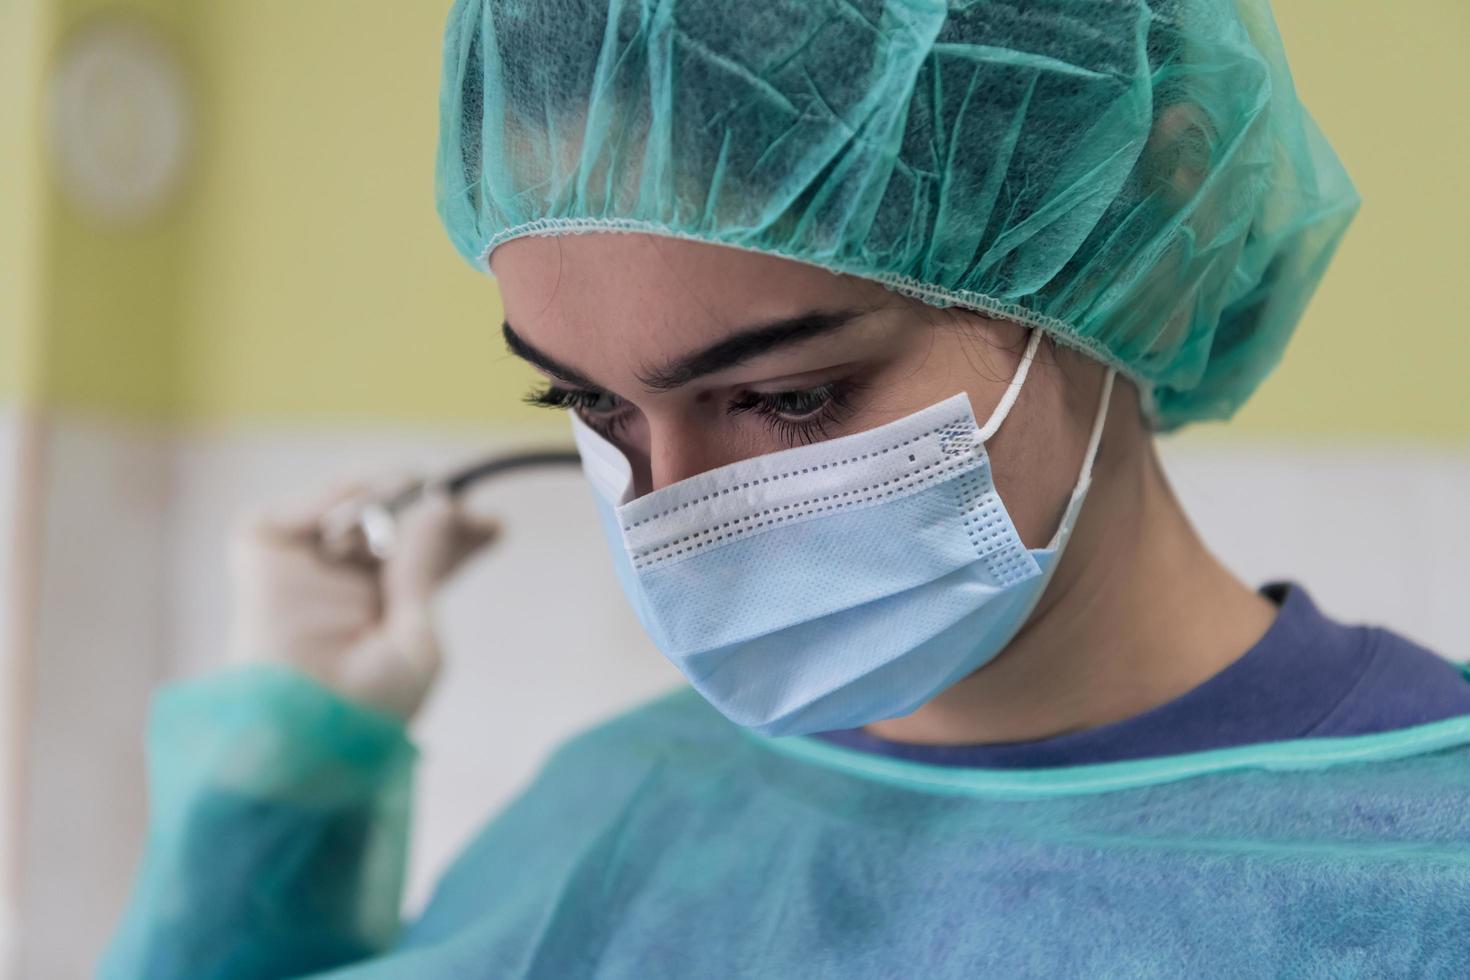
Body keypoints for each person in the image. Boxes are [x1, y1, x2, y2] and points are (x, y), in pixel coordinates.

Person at [101, 1, 1470, 977]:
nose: (672, 515)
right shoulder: (617, 803)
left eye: (789, 396)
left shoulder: (1419, 873)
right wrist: (286, 790)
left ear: (1137, 223)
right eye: (585, 402)